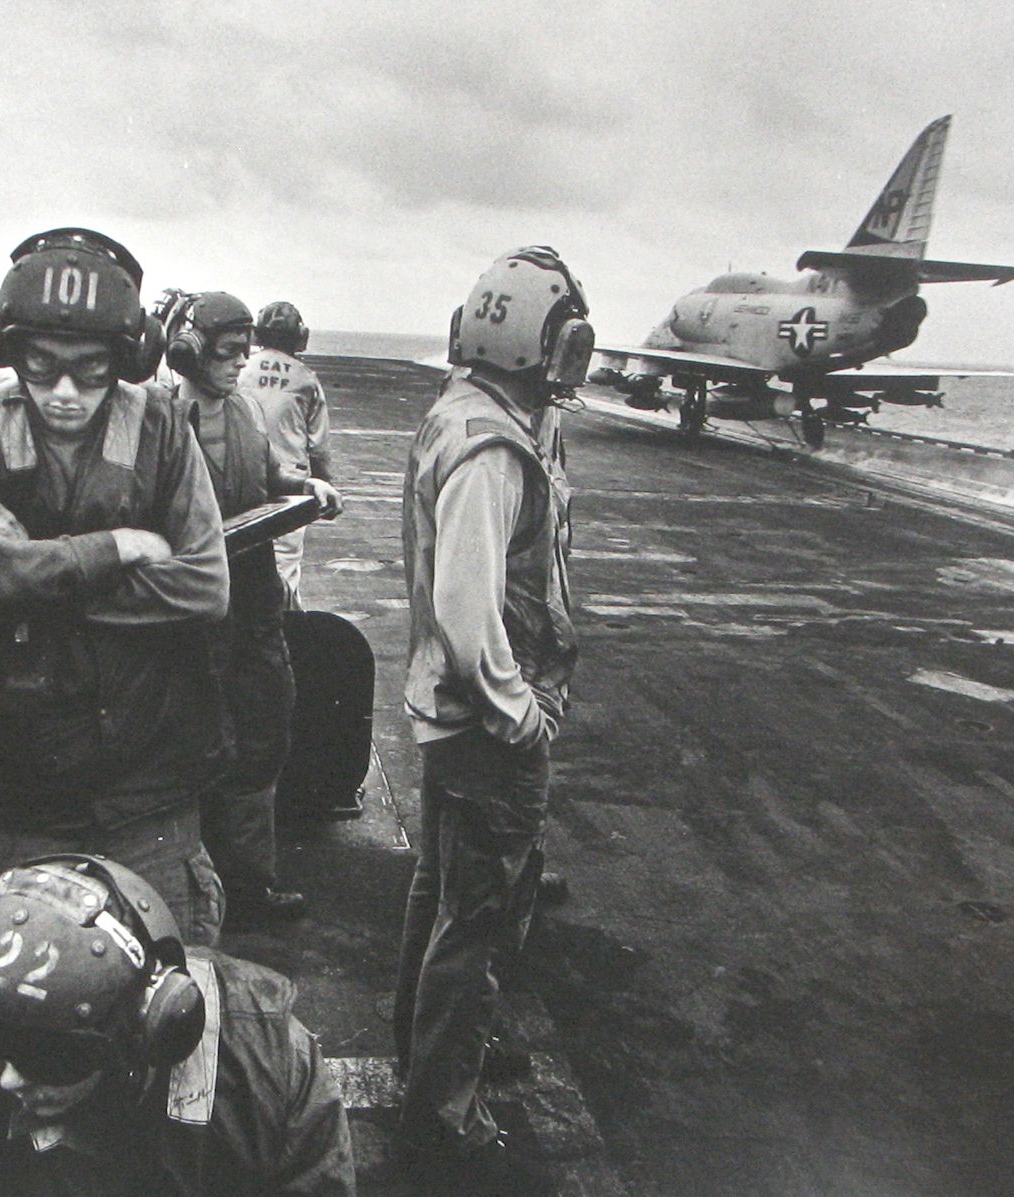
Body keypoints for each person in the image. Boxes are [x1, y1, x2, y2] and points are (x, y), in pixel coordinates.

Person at [0, 228, 231, 1025]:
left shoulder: (162, 433)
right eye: (41, 368)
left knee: (164, 1018)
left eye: (92, 370)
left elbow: (206, 584)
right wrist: (109, 550)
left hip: (138, 794)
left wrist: (28, 565)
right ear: (8, 351)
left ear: (130, 359)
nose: (65, 393)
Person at [392, 246, 593, 1190]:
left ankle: (430, 1053)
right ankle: (443, 1102)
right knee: (477, 913)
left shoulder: (475, 415)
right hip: (486, 723)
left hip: (451, 714)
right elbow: (471, 610)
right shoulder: (494, 448)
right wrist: (519, 713)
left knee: (441, 896)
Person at [0, 855, 354, 1196]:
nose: (9, 1078)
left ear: (150, 1031)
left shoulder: (265, 1058)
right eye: (1, 1045)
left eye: (49, 1059)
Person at [163, 292, 341, 927]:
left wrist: (308, 487)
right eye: (230, 351)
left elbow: (271, 477)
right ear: (191, 350)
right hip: (194, 609)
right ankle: (194, 887)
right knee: (197, 742)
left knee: (265, 727)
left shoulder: (241, 410)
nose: (241, 362)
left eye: (245, 349)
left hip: (254, 597)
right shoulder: (161, 416)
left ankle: (250, 883)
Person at [245, 301, 332, 609]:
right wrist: (325, 489)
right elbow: (318, 446)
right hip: (291, 483)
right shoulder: (306, 378)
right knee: (284, 567)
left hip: (246, 479)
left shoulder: (242, 369)